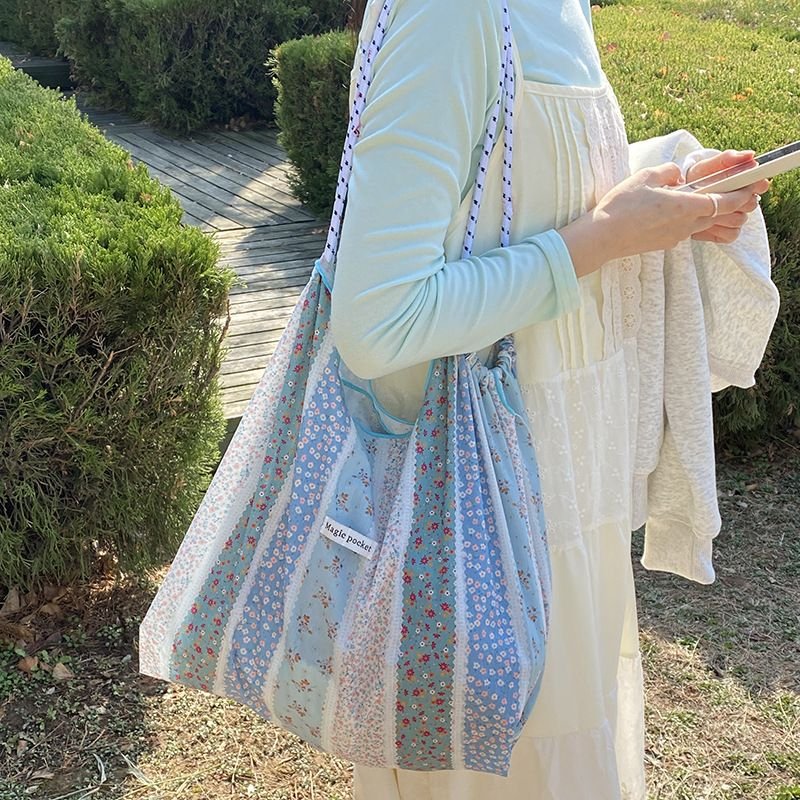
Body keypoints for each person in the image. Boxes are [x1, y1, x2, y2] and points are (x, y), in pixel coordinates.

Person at [329, 0, 771, 798]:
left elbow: (515, 192)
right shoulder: (451, 15)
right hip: (474, 502)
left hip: (559, 480)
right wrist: (607, 236)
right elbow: (379, 317)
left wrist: (653, 202)